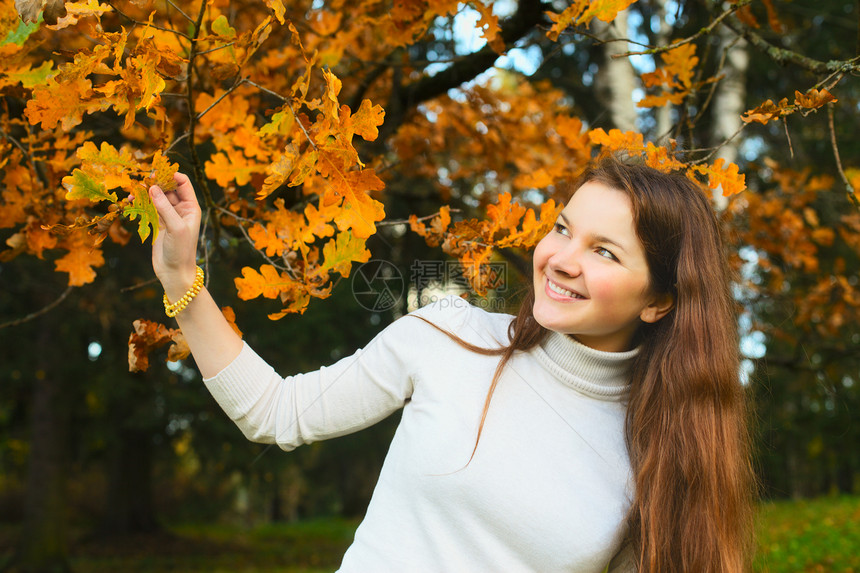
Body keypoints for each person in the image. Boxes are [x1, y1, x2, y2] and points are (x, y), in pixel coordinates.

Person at [149, 157, 755, 573]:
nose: (561, 259)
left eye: (603, 251)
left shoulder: (661, 452)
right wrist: (181, 277)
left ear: (659, 300)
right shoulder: (449, 334)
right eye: (563, 228)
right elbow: (277, 413)